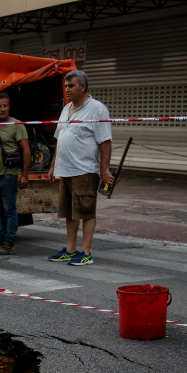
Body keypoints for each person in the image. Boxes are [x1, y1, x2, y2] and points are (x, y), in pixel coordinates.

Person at [47, 70, 114, 266]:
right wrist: (53, 166)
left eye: (71, 86)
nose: (67, 90)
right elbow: (60, 139)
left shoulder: (97, 109)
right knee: (70, 212)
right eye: (66, 86)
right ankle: (69, 249)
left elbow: (105, 141)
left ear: (83, 86)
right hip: (65, 169)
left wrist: (104, 170)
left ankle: (85, 252)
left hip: (84, 170)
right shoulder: (66, 108)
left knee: (86, 211)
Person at [0, 92, 30, 256]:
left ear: (9, 106)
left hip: (9, 175)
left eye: (5, 106)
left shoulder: (17, 125)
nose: (2, 109)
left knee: (10, 210)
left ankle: (9, 243)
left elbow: (26, 150)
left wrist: (24, 175)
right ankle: (0, 240)